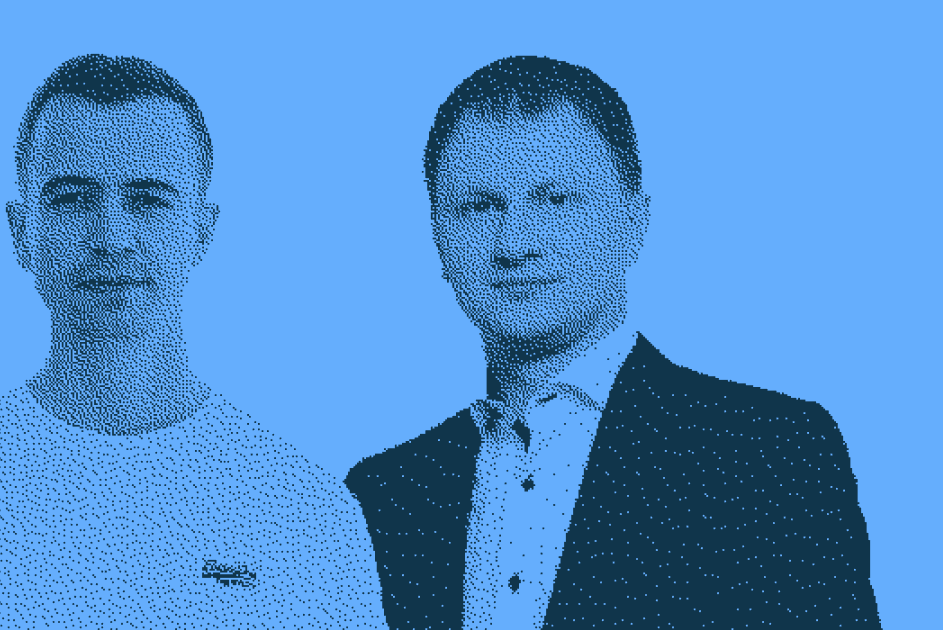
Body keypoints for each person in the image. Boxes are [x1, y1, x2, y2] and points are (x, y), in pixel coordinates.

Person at [0, 54, 386, 629]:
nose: (111, 236)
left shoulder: (304, 511)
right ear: (21, 231)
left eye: (149, 199)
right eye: (72, 199)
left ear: (203, 230)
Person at [345, 56, 880, 629]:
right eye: (480, 207)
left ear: (635, 221)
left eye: (555, 201)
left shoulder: (769, 454)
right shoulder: (380, 498)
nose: (514, 243)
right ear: (437, 237)